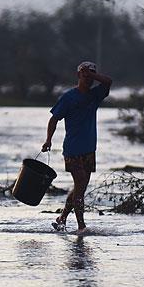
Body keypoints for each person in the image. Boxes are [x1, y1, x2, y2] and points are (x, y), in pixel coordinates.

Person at [41, 61, 113, 234]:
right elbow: (54, 119)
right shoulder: (68, 97)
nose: (87, 79)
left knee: (80, 187)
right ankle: (81, 226)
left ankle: (62, 218)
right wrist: (48, 139)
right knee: (80, 183)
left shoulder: (96, 95)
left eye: (90, 77)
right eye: (84, 75)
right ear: (78, 76)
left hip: (89, 149)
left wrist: (92, 75)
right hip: (72, 149)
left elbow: (108, 82)